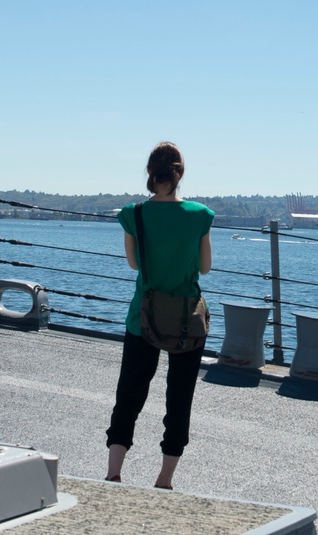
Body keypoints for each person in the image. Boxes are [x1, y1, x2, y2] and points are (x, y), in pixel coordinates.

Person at [105, 141, 214, 489]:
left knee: (130, 396)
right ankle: (164, 479)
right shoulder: (200, 215)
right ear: (181, 174)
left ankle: (114, 472)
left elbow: (135, 263)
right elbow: (207, 267)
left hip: (143, 317)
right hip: (186, 319)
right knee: (178, 400)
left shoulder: (133, 214)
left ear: (150, 172)